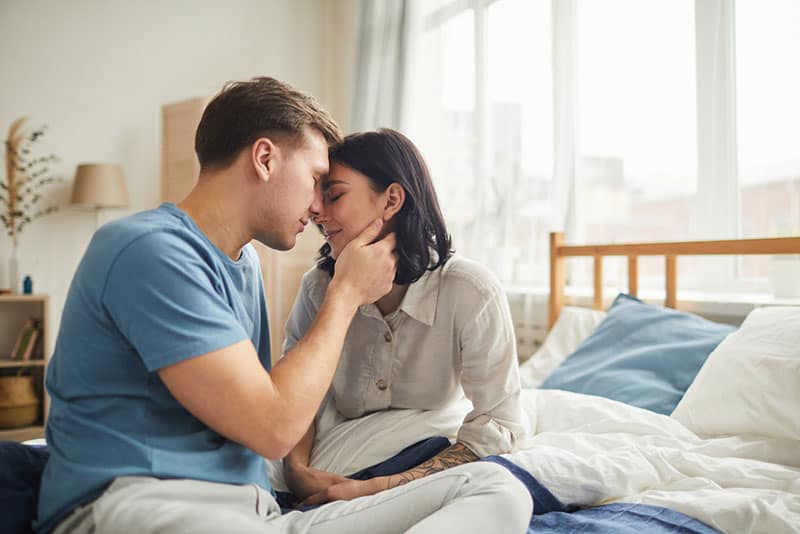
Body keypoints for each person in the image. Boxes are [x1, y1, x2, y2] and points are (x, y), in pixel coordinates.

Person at [36, 78, 532, 534]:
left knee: (498, 490)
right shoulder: (147, 249)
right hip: (145, 503)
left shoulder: (243, 265)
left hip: (254, 511)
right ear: (265, 159)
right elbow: (272, 428)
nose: (318, 208)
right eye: (317, 178)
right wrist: (345, 295)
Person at [281, 129, 531, 506]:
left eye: (333, 195)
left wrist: (374, 489)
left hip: (422, 456)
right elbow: (296, 400)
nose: (316, 210)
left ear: (392, 199)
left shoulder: (470, 291)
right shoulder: (317, 289)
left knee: (505, 498)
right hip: (338, 457)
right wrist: (299, 473)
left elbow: (502, 426)